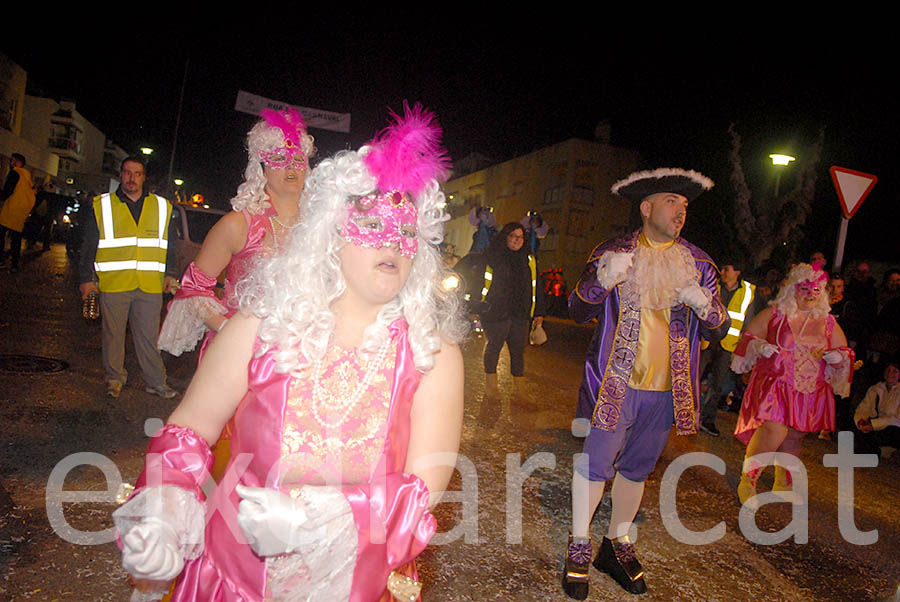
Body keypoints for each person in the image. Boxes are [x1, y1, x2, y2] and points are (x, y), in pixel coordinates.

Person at [113, 104, 467, 602]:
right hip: (233, 579)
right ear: (330, 236)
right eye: (371, 225)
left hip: (352, 585)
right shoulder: (261, 327)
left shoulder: (432, 355)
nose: (393, 242)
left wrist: (321, 523)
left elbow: (421, 489)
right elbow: (188, 432)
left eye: (406, 232)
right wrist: (163, 515)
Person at [564, 168, 728, 598]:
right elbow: (577, 309)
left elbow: (721, 328)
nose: (681, 211)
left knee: (636, 471)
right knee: (595, 464)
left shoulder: (700, 263)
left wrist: (705, 306)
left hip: (667, 390)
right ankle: (579, 543)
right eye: (673, 201)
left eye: (685, 205)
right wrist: (602, 281)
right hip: (615, 382)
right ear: (647, 207)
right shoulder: (613, 251)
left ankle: (616, 543)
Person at [157, 108, 314, 356]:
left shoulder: (319, 226)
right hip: (240, 356)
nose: (290, 167)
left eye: (297, 159)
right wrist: (231, 330)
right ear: (261, 169)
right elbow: (193, 290)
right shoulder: (238, 225)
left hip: (300, 354)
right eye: (279, 159)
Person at [731, 262, 853, 506]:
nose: (811, 295)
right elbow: (748, 337)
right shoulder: (776, 314)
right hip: (777, 384)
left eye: (816, 290)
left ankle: (782, 481)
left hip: (809, 388)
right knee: (774, 430)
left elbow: (845, 350)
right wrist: (759, 346)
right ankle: (748, 480)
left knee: (795, 434)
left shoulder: (827, 321)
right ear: (793, 289)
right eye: (805, 289)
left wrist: (838, 357)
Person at [78, 157, 180, 398]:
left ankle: (156, 382)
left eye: (137, 173)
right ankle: (114, 379)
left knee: (149, 337)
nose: (132, 178)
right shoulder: (101, 205)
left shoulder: (162, 207)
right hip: (115, 281)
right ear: (120, 175)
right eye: (127, 173)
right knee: (113, 336)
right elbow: (88, 245)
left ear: (144, 177)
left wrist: (171, 274)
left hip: (150, 284)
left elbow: (171, 246)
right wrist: (86, 280)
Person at [475, 222, 544, 397]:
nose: (517, 240)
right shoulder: (492, 256)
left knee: (518, 349)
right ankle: (491, 386)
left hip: (520, 311)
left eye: (520, 237)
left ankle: (519, 389)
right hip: (495, 310)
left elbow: (536, 286)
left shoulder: (528, 259)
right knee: (494, 346)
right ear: (505, 237)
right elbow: (478, 282)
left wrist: (538, 312)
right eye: (513, 236)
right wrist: (476, 306)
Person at [698, 258, 759, 436]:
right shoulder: (712, 285)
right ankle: (682, 413)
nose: (722, 273)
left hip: (727, 343)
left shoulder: (748, 291)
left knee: (717, 385)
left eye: (726, 269)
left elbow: (748, 320)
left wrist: (742, 346)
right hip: (707, 338)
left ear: (737, 271)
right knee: (693, 377)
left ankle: (707, 420)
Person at [854, 361, 900, 458]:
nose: (890, 374)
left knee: (890, 432)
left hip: (891, 427)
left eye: (894, 371)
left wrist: (874, 425)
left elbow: (896, 419)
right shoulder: (875, 389)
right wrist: (861, 421)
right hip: (875, 424)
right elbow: (864, 407)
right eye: (888, 370)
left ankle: (881, 449)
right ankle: (875, 448)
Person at [0, 153, 36, 272]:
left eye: (12, 160)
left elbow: (8, 191)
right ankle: (15, 264)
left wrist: (2, 197)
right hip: (21, 211)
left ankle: (1, 260)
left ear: (18, 162)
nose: (10, 162)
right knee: (16, 238)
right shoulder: (27, 175)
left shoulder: (15, 172)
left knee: (2, 235)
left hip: (11, 208)